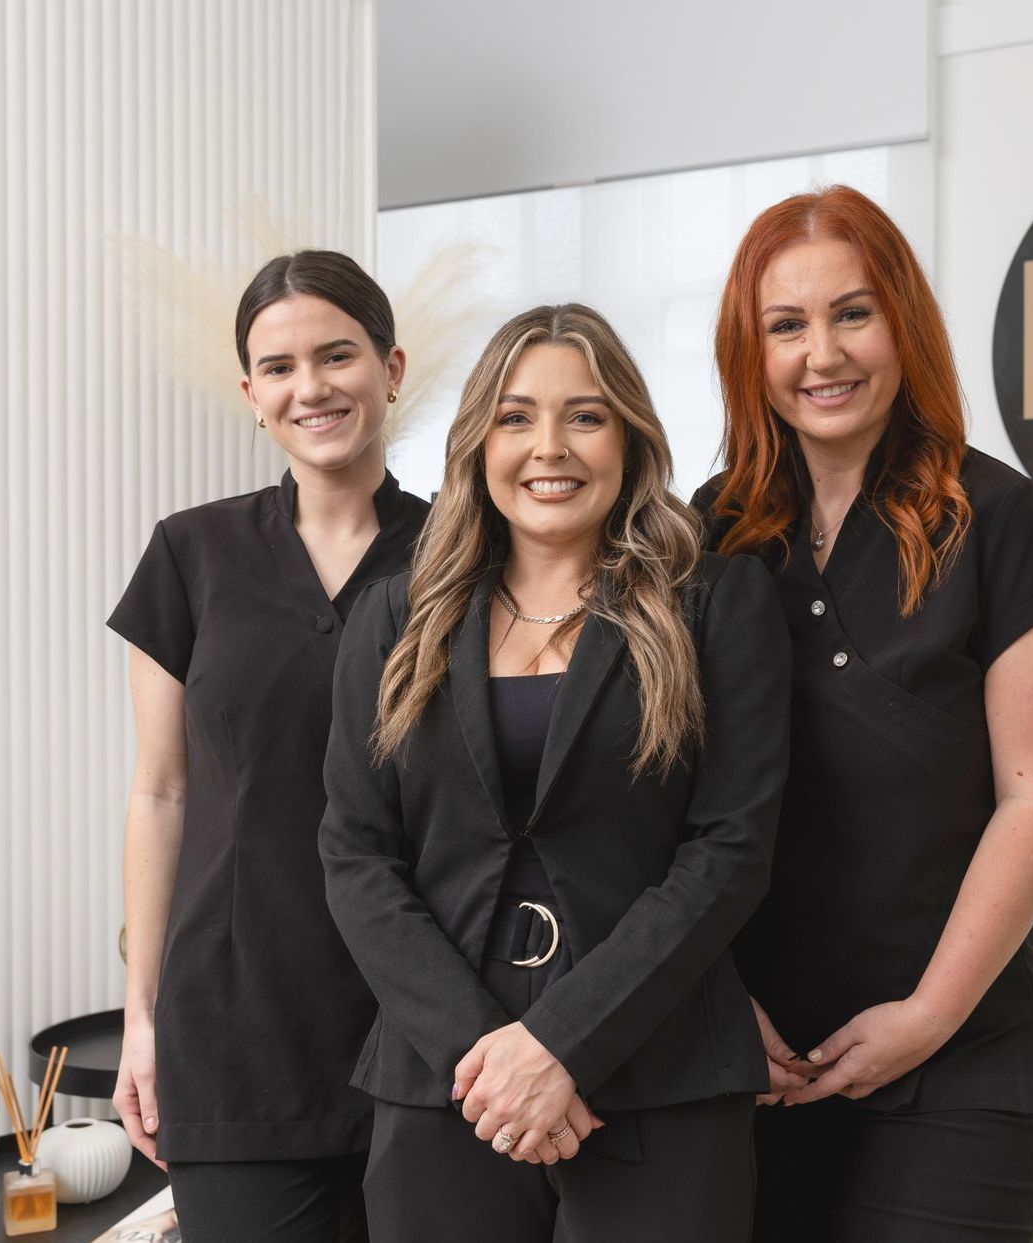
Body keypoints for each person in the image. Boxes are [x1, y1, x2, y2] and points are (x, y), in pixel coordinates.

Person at [319, 303, 789, 1242]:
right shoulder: (392, 619)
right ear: (477, 442)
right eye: (516, 415)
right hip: (447, 1080)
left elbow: (729, 848)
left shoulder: (716, 602)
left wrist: (562, 1043)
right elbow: (356, 853)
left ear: (629, 437)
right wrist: (489, 1059)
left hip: (659, 1069)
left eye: (586, 415)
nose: (551, 447)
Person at [694, 185, 1033, 1242]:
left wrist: (926, 1016)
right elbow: (656, 794)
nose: (820, 353)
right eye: (785, 325)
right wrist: (715, 1001)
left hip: (958, 1056)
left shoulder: (995, 514)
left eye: (851, 313)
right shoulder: (708, 530)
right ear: (750, 351)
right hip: (749, 1058)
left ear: (902, 324)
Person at [107, 251, 430, 1242]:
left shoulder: (466, 555)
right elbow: (161, 792)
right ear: (250, 394)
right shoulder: (189, 553)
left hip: (424, 1020)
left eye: (336, 355)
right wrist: (139, 1013)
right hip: (234, 1022)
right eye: (279, 367)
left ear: (391, 366)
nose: (311, 387)